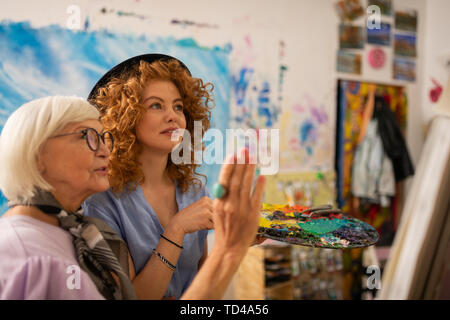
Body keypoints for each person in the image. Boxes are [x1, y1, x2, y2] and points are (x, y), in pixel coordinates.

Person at [0, 95, 266, 300]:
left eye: (104, 138)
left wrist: (232, 246)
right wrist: (228, 251)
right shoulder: (29, 256)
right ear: (39, 155)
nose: (105, 150)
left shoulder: (76, 232)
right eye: (88, 137)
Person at [84, 54, 264, 300]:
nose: (173, 116)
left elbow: (200, 277)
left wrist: (234, 243)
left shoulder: (194, 190)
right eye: (156, 105)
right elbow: (129, 297)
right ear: (125, 117)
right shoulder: (101, 202)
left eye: (178, 106)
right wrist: (176, 229)